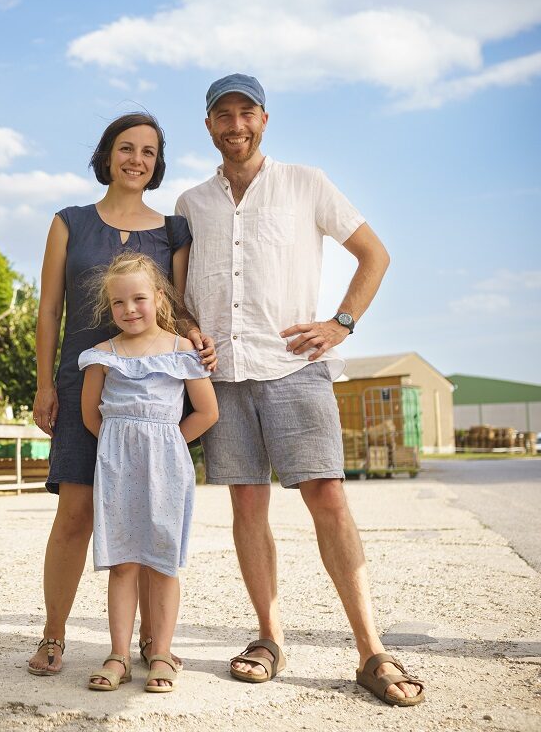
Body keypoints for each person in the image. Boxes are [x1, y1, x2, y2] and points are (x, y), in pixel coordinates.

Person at [174, 73, 424, 706]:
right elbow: (178, 294)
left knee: (330, 500)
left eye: (246, 112)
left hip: (294, 368)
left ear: (264, 119)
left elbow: (374, 254)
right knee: (247, 508)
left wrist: (339, 324)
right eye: (222, 115)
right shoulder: (190, 204)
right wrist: (189, 329)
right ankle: (269, 638)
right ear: (208, 126)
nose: (235, 125)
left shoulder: (306, 182)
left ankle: (370, 651)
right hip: (223, 379)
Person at [28, 113, 216, 677]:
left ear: (157, 164)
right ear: (107, 155)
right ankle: (54, 635)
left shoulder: (172, 229)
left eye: (149, 152)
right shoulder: (70, 222)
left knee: (153, 519)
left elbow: (176, 306)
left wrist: (195, 336)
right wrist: (42, 383)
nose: (137, 159)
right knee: (75, 512)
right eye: (127, 148)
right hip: (81, 382)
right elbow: (48, 309)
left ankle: (153, 644)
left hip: (152, 397)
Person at [78, 252, 218, 692]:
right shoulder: (103, 354)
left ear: (159, 298)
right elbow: (91, 417)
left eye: (139, 299)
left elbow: (207, 412)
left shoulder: (181, 351)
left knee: (161, 563)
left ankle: (161, 652)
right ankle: (118, 654)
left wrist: (168, 441)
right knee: (123, 562)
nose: (129, 310)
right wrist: (123, 445)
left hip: (167, 468)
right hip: (118, 466)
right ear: (109, 307)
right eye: (118, 304)